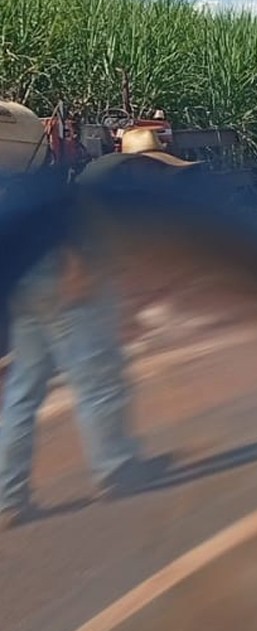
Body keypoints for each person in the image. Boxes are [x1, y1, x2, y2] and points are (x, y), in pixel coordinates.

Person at [0, 138, 197, 527]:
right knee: (97, 378)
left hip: (27, 284)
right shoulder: (113, 175)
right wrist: (77, 267)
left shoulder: (25, 178)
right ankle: (116, 467)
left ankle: (9, 495)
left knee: (24, 391)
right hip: (63, 276)